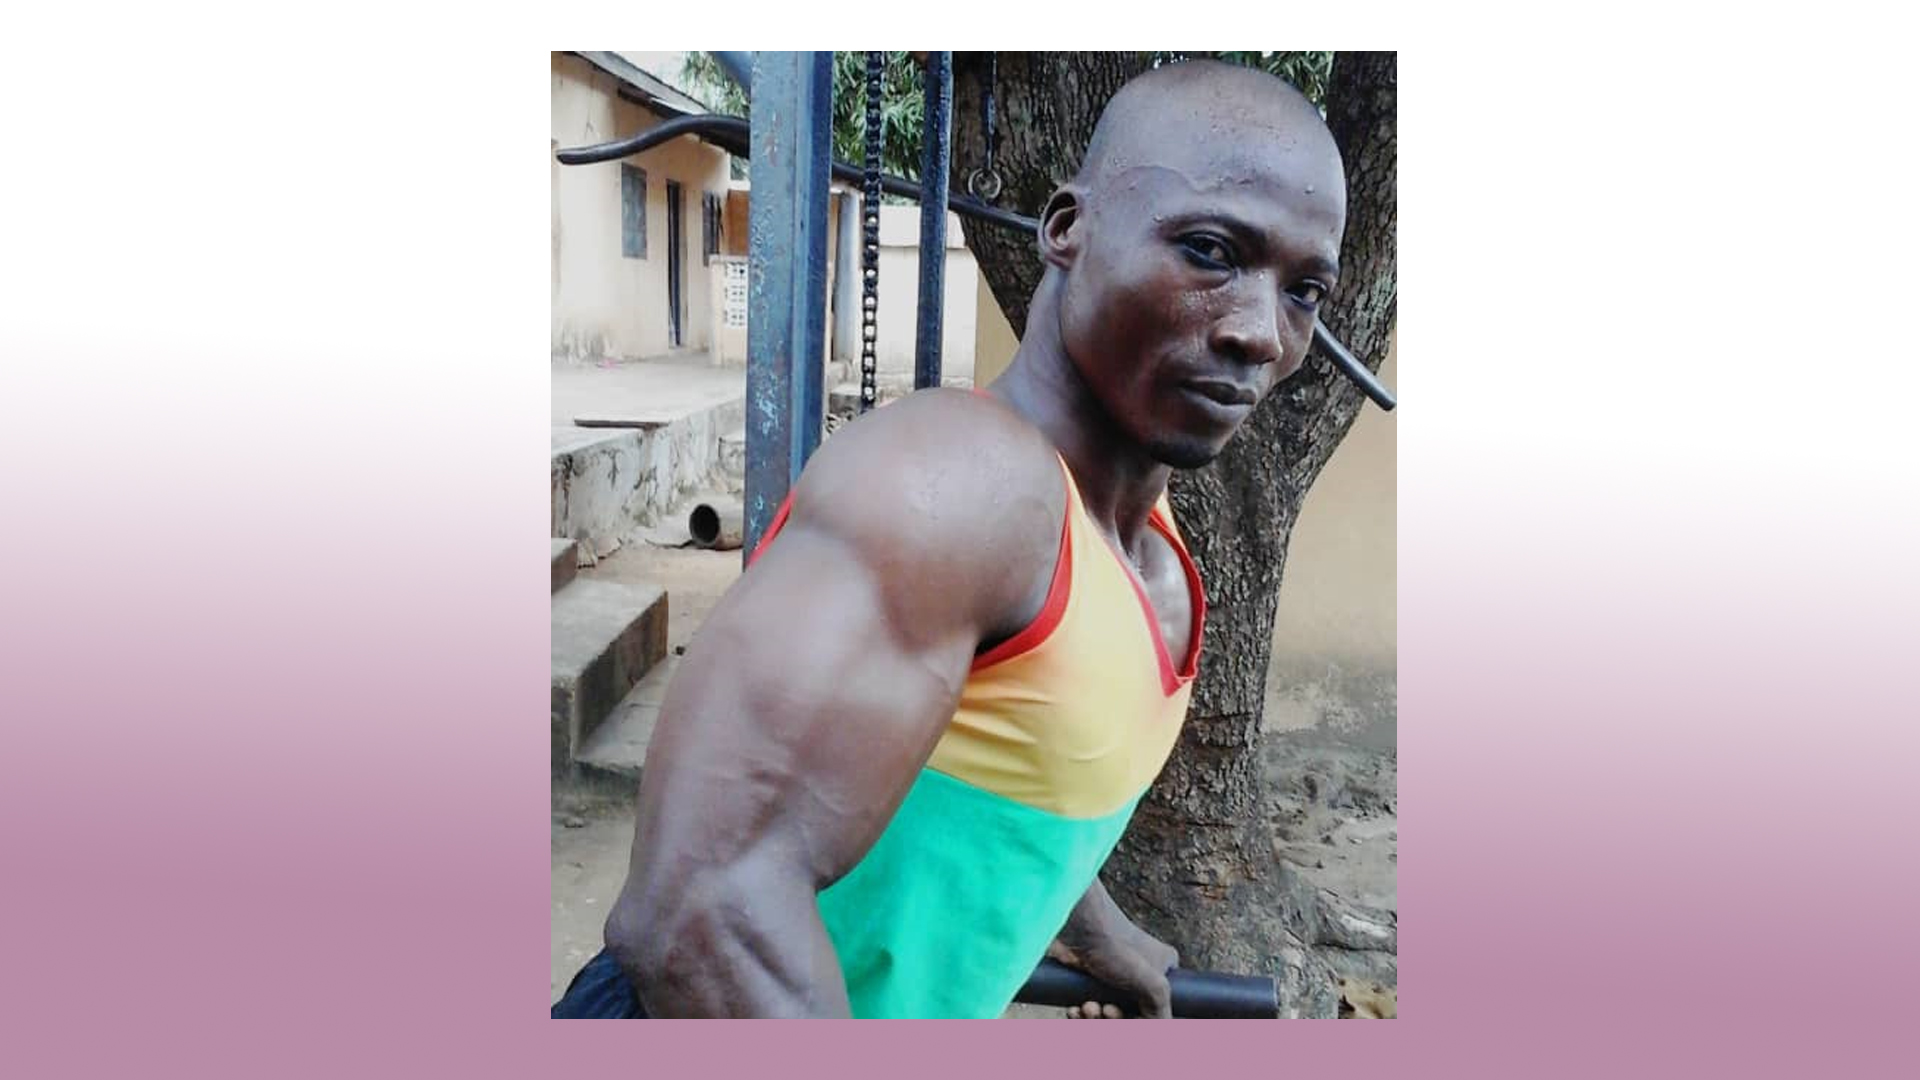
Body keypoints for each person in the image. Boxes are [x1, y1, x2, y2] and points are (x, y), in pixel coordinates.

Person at [552, 58, 1347, 1019]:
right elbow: (700, 913)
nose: (1261, 333)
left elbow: (1014, 763)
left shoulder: (1139, 526)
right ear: (1068, 229)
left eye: (1304, 291)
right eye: (1211, 252)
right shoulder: (958, 486)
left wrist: (1090, 926)